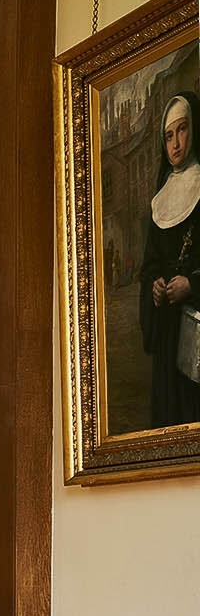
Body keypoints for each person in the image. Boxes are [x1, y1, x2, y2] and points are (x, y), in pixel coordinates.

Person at [139, 91, 200, 429]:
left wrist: (192, 285)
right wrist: (155, 288)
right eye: (168, 135)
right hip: (167, 331)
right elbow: (149, 267)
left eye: (183, 130)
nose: (175, 143)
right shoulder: (159, 201)